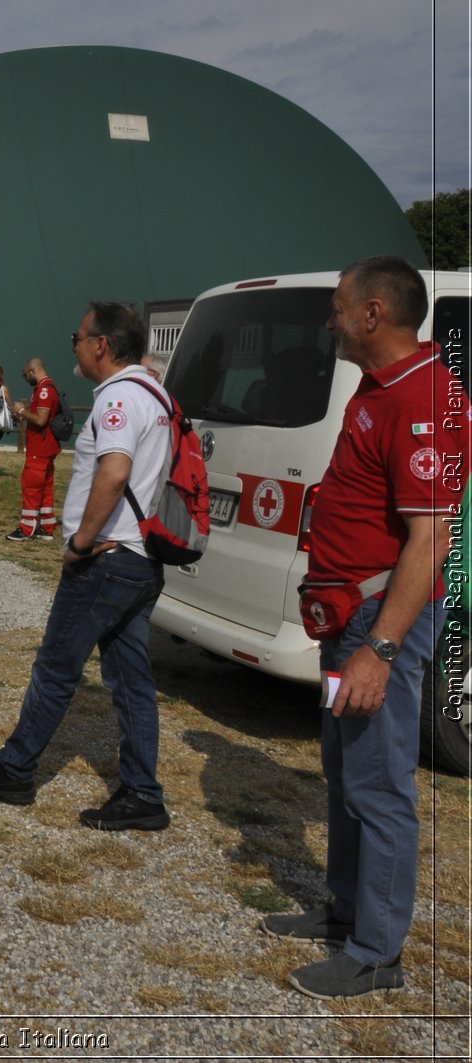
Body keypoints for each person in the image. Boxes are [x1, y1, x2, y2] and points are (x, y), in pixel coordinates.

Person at [260, 257, 456, 1000]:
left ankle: (378, 951)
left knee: (380, 785)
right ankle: (345, 914)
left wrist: (381, 647)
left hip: (379, 623)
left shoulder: (426, 397)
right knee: (346, 773)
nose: (331, 321)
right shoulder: (379, 391)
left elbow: (432, 536)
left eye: (340, 308)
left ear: (374, 314)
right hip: (347, 618)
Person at [0, 303, 173, 831]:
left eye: (78, 336)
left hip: (107, 559)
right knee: (132, 680)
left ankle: (16, 768)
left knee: (55, 667)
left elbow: (114, 474)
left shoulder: (119, 395)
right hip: (143, 557)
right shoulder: (157, 393)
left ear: (101, 344)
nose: (72, 344)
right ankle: (143, 792)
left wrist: (81, 543)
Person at [6, 357, 62, 541]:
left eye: (25, 375)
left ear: (33, 371)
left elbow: (41, 420)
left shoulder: (44, 390)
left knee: (31, 487)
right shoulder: (44, 388)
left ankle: (26, 527)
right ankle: (46, 527)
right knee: (46, 488)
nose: (26, 378)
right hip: (46, 447)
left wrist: (22, 411)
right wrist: (23, 414)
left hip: (40, 447)